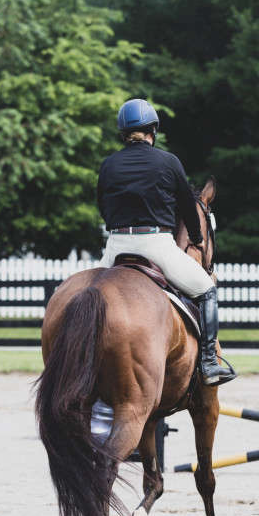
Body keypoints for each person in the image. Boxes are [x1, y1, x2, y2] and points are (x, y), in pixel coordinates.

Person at [97, 99, 235, 386]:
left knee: (86, 296)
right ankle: (209, 362)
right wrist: (196, 238)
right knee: (207, 290)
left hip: (116, 246)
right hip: (155, 244)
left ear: (123, 133)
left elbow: (103, 206)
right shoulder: (168, 162)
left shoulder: (109, 164)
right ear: (153, 130)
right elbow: (187, 207)